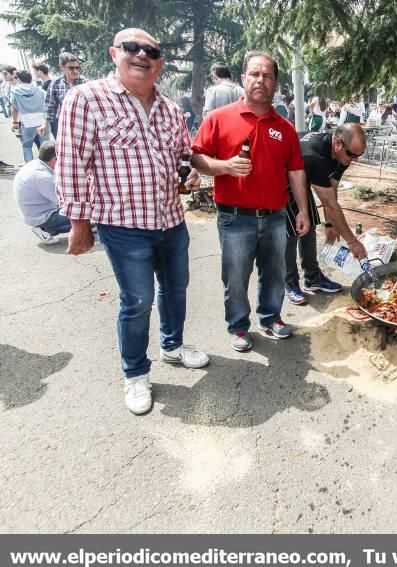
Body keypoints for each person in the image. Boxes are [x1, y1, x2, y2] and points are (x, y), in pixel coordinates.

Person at [56, 28, 209, 415]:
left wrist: (189, 174)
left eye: (152, 51)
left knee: (176, 289)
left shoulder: (170, 109)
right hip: (122, 224)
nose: (142, 55)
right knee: (137, 301)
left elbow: (181, 156)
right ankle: (136, 373)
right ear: (114, 53)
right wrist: (79, 221)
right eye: (132, 48)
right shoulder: (86, 99)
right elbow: (72, 162)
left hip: (171, 219)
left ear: (160, 62)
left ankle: (172, 346)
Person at [191, 51, 311, 352]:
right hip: (234, 216)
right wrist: (224, 166)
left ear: (276, 82)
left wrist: (303, 211)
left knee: (274, 272)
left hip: (274, 215)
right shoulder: (219, 118)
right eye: (254, 74)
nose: (260, 80)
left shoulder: (284, 128)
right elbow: (197, 157)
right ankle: (239, 326)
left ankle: (271, 317)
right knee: (235, 275)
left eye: (267, 75)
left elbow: (295, 170)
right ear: (243, 77)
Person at [284, 125, 369, 306]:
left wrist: (330, 224)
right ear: (338, 143)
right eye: (352, 155)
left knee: (310, 227)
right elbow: (330, 203)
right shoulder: (316, 156)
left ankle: (313, 278)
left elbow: (332, 189)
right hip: (281, 183)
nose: (354, 160)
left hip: (303, 182)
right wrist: (352, 242)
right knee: (291, 233)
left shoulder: (342, 154)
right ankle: (289, 282)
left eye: (358, 156)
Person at [13, 142, 71, 244]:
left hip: (34, 213)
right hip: (44, 216)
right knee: (85, 216)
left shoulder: (35, 164)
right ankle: (45, 230)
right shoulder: (42, 177)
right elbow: (65, 201)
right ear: (55, 159)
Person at [39, 53, 86, 140]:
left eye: (77, 68)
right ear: (61, 67)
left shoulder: (85, 83)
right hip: (64, 124)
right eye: (71, 68)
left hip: (84, 123)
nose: (75, 71)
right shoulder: (55, 83)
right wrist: (44, 124)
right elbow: (49, 105)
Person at [10, 71, 48, 162]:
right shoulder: (40, 90)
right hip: (42, 121)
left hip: (26, 122)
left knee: (27, 146)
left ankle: (30, 168)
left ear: (19, 79)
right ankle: (47, 166)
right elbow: (47, 105)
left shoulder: (15, 92)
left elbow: (14, 109)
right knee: (46, 146)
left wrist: (15, 123)